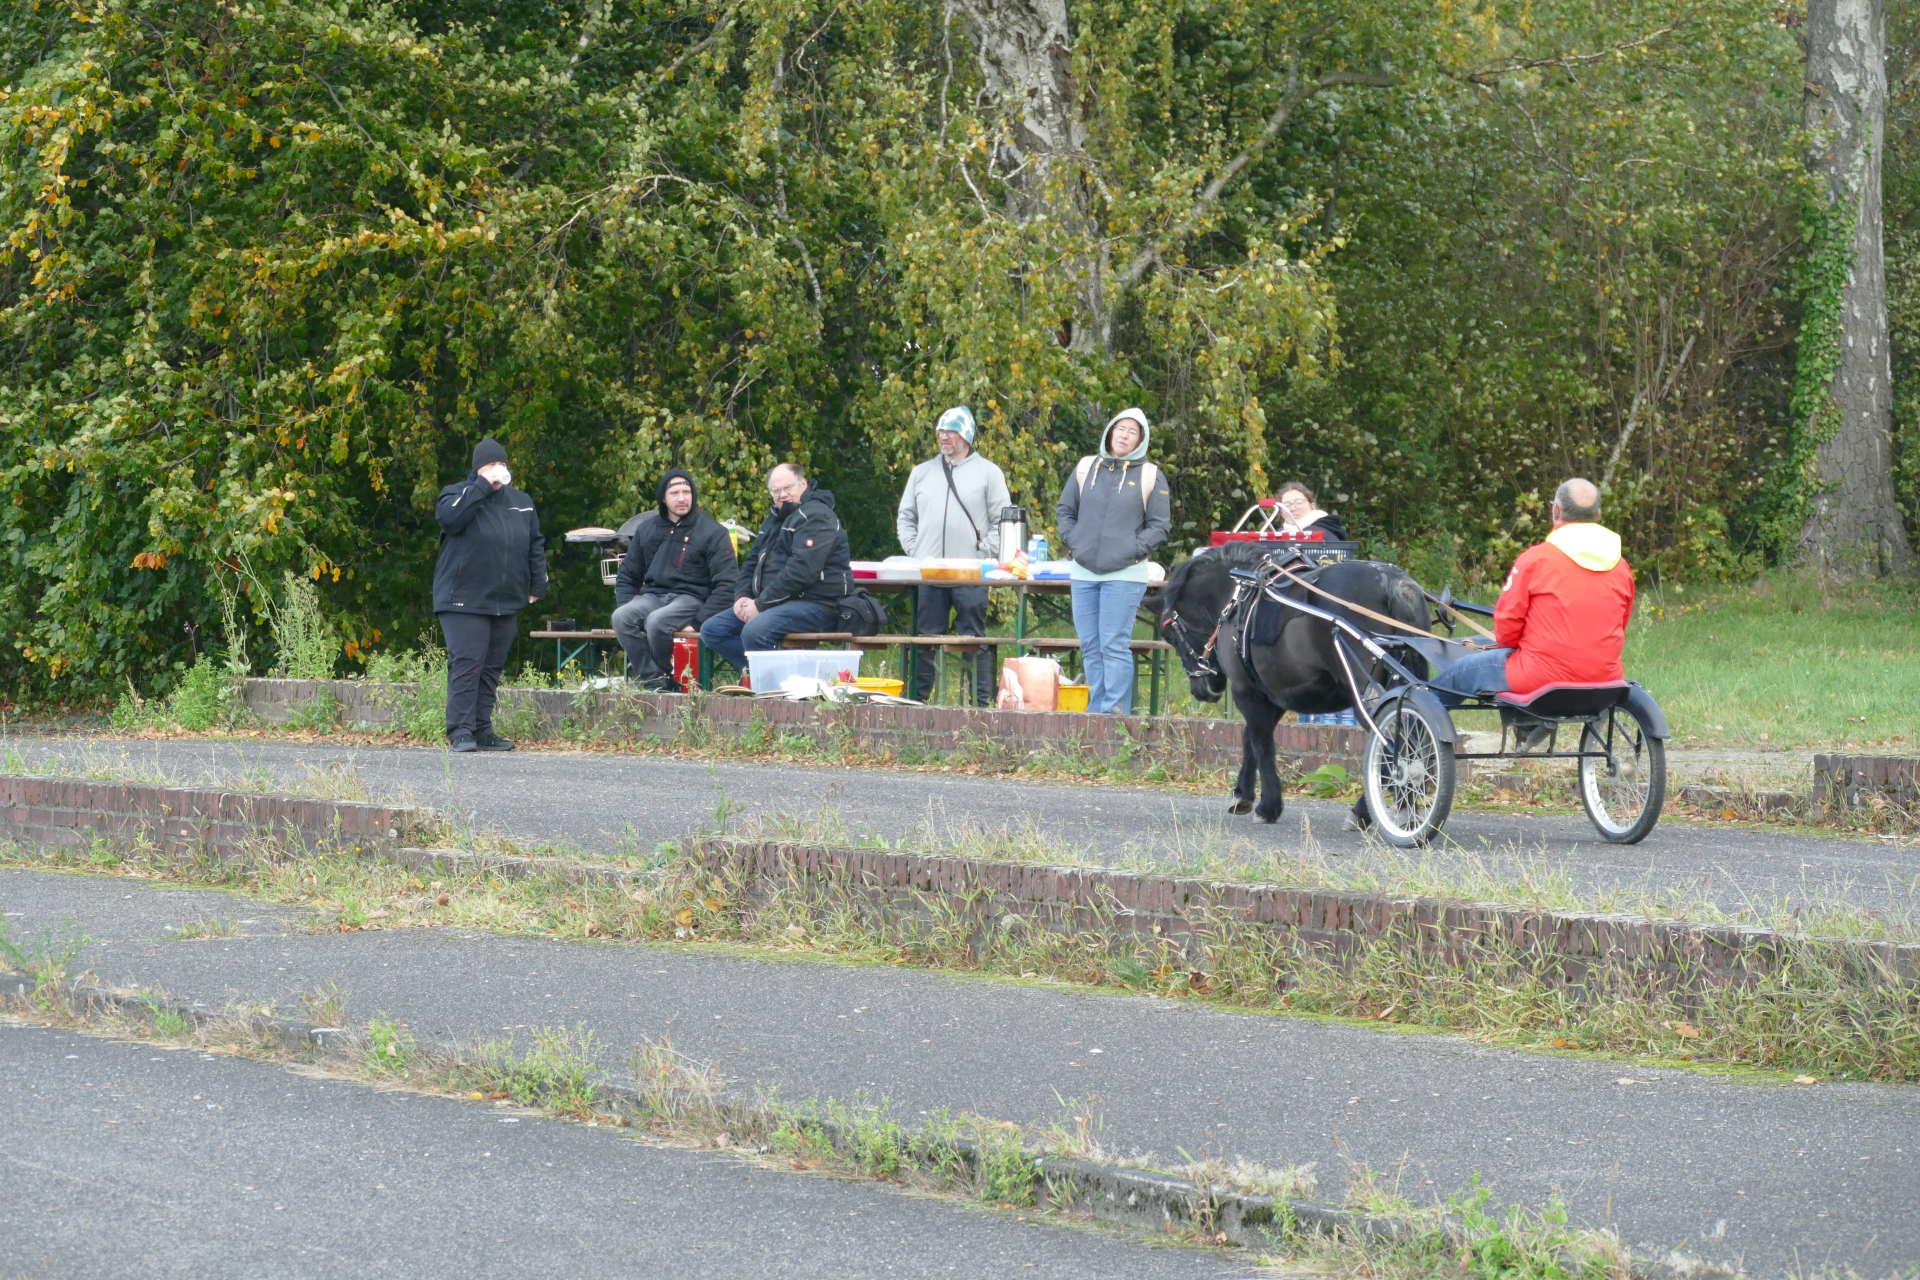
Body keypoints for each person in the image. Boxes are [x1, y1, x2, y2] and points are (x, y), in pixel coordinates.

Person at [1430, 477, 1635, 745]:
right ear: (1597, 515)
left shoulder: (1536, 559)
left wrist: (1514, 647)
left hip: (1538, 677)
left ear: (1556, 511)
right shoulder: (1621, 566)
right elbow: (1621, 622)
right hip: (1606, 678)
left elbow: (1507, 623)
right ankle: (1527, 729)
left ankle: (1409, 736)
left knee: (1458, 672)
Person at [433, 436, 548, 753]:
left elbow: (535, 543)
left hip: (505, 599)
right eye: (491, 464)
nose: (498, 469)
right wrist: (482, 487)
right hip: (462, 598)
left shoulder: (521, 501)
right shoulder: (457, 493)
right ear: (477, 469)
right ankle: (460, 730)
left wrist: (538, 583)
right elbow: (449, 520)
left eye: (502, 464)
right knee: (467, 663)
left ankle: (482, 729)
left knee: (491, 667)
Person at [1055, 408, 1171, 714]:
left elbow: (1160, 526)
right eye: (1120, 428)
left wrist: (1131, 551)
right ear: (1110, 432)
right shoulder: (1085, 468)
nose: (1124, 435)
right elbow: (1065, 511)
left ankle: (1115, 714)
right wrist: (1076, 542)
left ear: (1140, 441)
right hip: (1083, 573)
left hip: (1125, 574)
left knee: (1113, 644)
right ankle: (1096, 714)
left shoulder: (1150, 475)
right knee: (1091, 646)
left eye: (1133, 432)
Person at [895, 405, 1013, 704]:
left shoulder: (989, 472)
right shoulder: (921, 473)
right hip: (929, 573)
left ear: (967, 436)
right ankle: (917, 704)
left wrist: (982, 553)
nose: (944, 437)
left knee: (974, 639)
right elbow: (906, 516)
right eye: (941, 431)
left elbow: (1003, 520)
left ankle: (981, 706)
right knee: (925, 639)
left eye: (951, 431)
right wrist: (916, 549)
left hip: (971, 573)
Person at [699, 462, 852, 679]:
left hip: (819, 603)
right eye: (776, 491)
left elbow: (801, 572)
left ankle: (778, 685)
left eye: (787, 488)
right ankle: (776, 676)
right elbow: (751, 561)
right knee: (713, 630)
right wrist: (742, 595)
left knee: (754, 631)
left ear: (803, 484)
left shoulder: (817, 516)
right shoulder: (774, 518)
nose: (782, 495)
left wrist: (760, 605)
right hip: (776, 602)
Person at [611, 469, 740, 690]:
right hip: (653, 596)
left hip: (691, 599)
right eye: (675, 493)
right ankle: (655, 680)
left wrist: (699, 622)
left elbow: (729, 583)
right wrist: (628, 605)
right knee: (621, 617)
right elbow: (627, 576)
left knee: (657, 621)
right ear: (663, 497)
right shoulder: (647, 529)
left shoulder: (713, 531)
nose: (682, 498)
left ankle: (663, 680)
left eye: (686, 492)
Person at [1273, 480, 1347, 540]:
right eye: (1286, 506)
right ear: (1281, 512)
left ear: (1313, 506)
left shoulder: (1321, 533)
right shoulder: (1277, 536)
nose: (1292, 509)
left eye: (1299, 503)